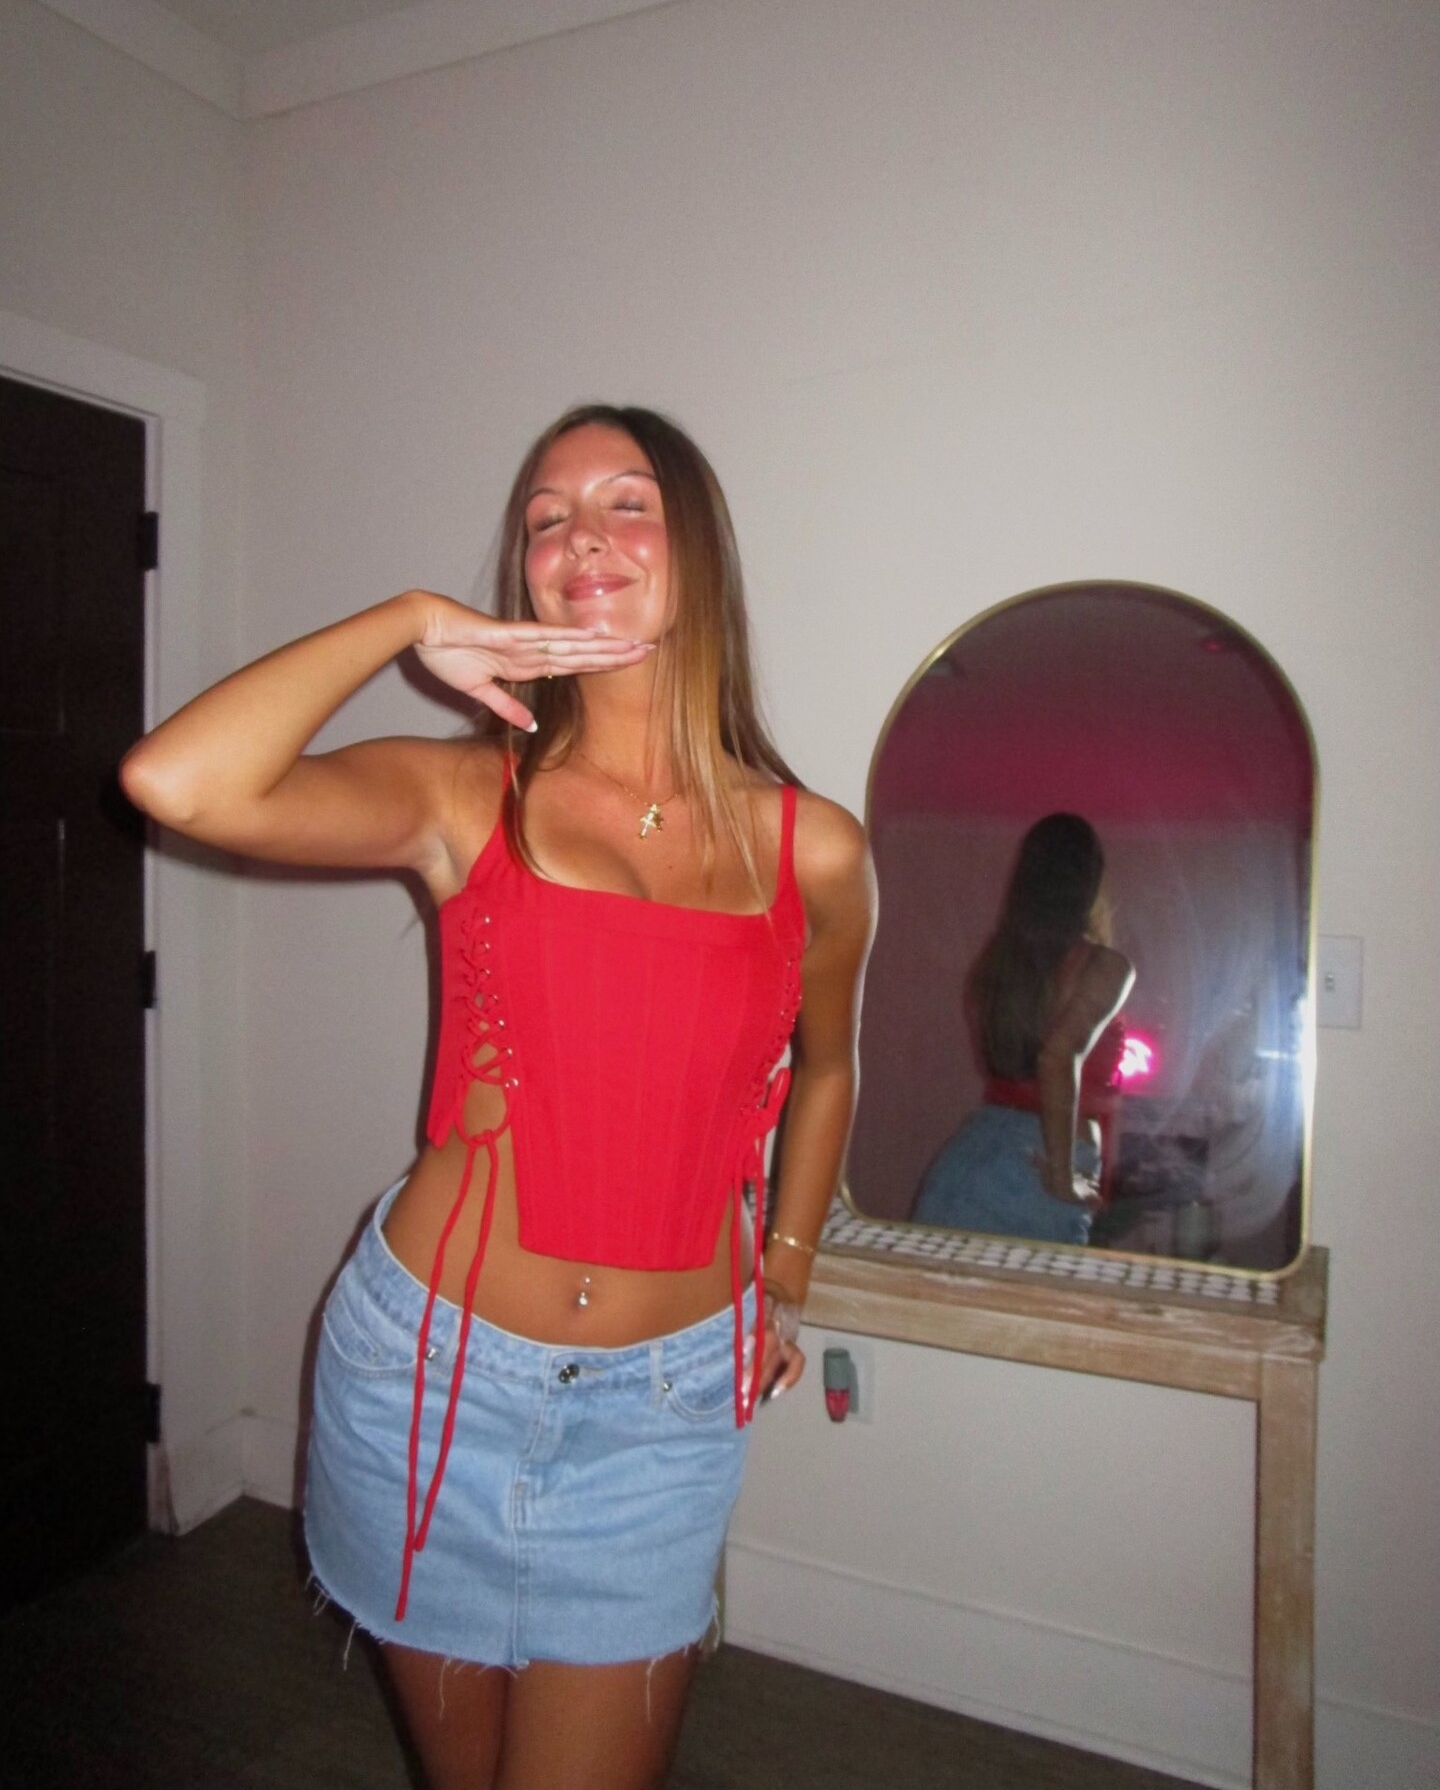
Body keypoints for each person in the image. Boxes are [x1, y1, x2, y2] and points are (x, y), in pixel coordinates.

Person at [121, 404, 875, 1790]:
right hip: (423, 1381)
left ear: (699, 549)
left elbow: (828, 1065)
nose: (581, 535)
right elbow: (176, 781)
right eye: (545, 518)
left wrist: (787, 1267)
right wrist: (408, 621)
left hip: (661, 1413)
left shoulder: (813, 848)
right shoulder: (464, 795)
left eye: (628, 502)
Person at [912, 813, 1132, 1245]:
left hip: (975, 1151)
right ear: (1090, 880)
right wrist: (1063, 1176)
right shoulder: (1104, 966)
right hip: (1040, 1165)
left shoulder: (1000, 959)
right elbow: (1056, 1056)